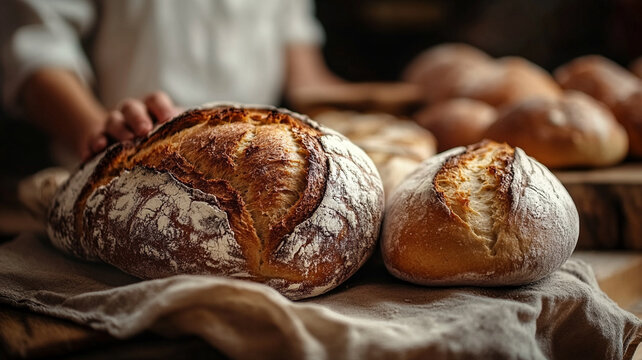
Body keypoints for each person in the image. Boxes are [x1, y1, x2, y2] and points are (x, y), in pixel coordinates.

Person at [1, 0, 343, 162]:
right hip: (120, 161)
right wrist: (95, 128)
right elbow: (36, 47)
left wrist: (393, 98)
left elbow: (307, 79)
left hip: (250, 165)